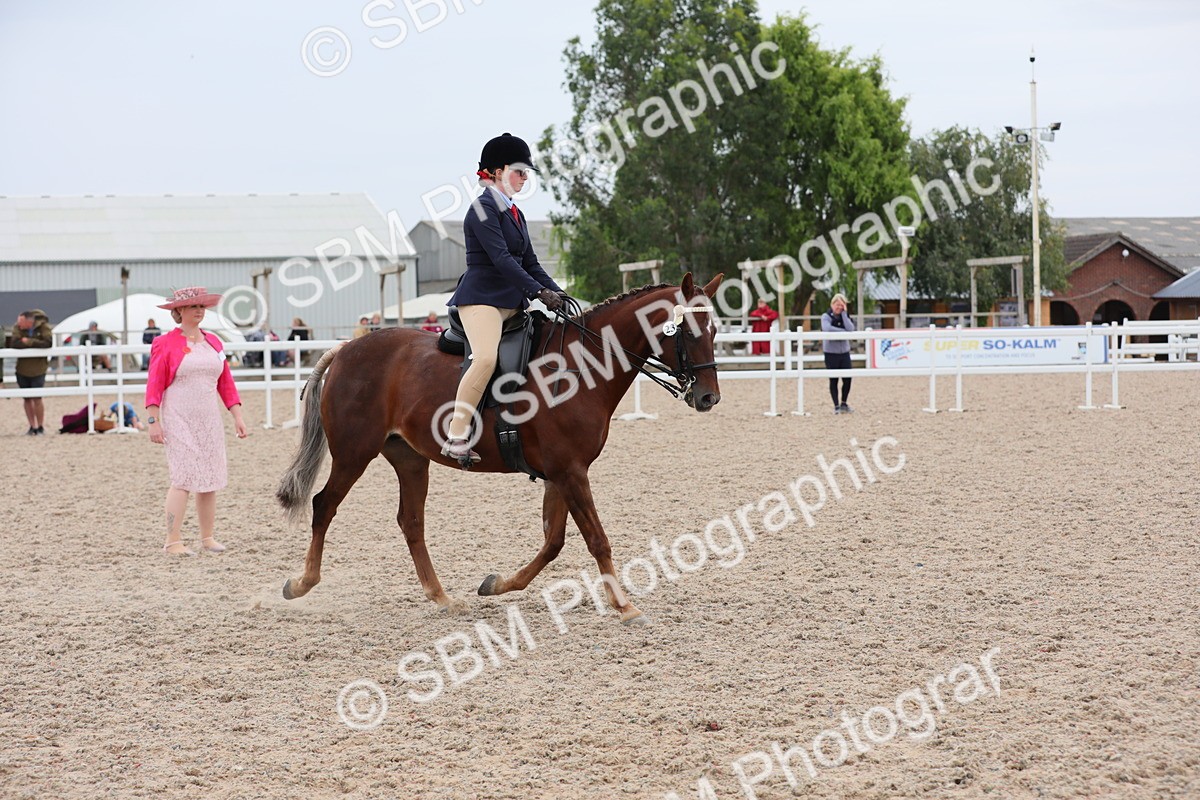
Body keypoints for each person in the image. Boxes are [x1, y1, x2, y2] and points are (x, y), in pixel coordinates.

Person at [443, 132, 566, 465]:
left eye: (526, 173)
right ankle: (456, 435)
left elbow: (531, 263)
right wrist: (538, 292)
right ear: (497, 172)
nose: (525, 178)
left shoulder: (515, 213)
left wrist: (557, 292)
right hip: (482, 300)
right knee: (485, 358)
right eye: (519, 172)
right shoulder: (482, 210)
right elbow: (502, 260)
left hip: (512, 303)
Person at [145, 287, 248, 555]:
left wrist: (237, 415)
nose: (199, 311)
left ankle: (207, 537)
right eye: (193, 306)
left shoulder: (214, 342)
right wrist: (153, 420)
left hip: (209, 419)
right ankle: (172, 540)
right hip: (178, 417)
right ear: (179, 310)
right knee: (183, 477)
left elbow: (225, 382)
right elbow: (154, 383)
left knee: (210, 477)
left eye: (202, 306)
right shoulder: (164, 343)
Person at [11, 310, 53, 435]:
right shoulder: (17, 328)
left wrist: (29, 342)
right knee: (27, 398)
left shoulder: (43, 327)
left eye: (21, 322)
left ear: (29, 322)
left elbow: (48, 343)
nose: (19, 325)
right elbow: (14, 343)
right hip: (22, 369)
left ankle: (40, 426)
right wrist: (35, 343)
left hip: (38, 369)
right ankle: (32, 426)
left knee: (37, 398)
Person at [822, 293, 856, 414]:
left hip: (844, 352)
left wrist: (844, 314)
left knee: (847, 379)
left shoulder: (845, 317)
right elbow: (827, 328)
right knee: (834, 380)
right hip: (831, 353)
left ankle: (844, 403)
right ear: (832, 304)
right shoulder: (826, 316)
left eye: (842, 305)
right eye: (837, 305)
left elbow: (851, 328)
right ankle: (836, 405)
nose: (839, 307)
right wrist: (843, 332)